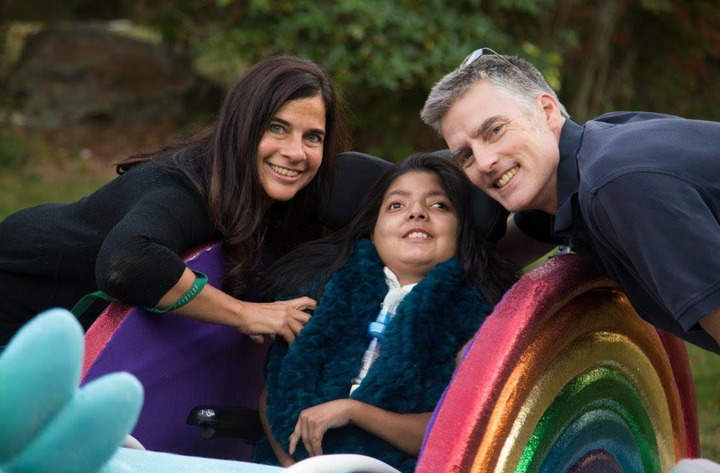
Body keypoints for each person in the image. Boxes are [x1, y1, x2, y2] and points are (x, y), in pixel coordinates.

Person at [0, 55, 348, 347]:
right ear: (243, 127)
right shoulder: (187, 187)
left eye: (312, 137)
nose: (295, 153)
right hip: (18, 289)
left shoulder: (278, 199)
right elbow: (126, 262)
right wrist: (246, 314)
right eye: (276, 127)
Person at [420, 48, 720, 354]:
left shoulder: (617, 186)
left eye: (494, 131)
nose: (484, 163)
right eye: (466, 156)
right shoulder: (577, 173)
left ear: (547, 111)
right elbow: (491, 263)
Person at [251, 154, 519, 472]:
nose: (417, 213)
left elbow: (461, 432)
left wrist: (354, 410)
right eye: (396, 205)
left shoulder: (483, 317)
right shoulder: (319, 289)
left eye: (439, 206)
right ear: (373, 228)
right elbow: (274, 392)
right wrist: (291, 465)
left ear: (462, 232)